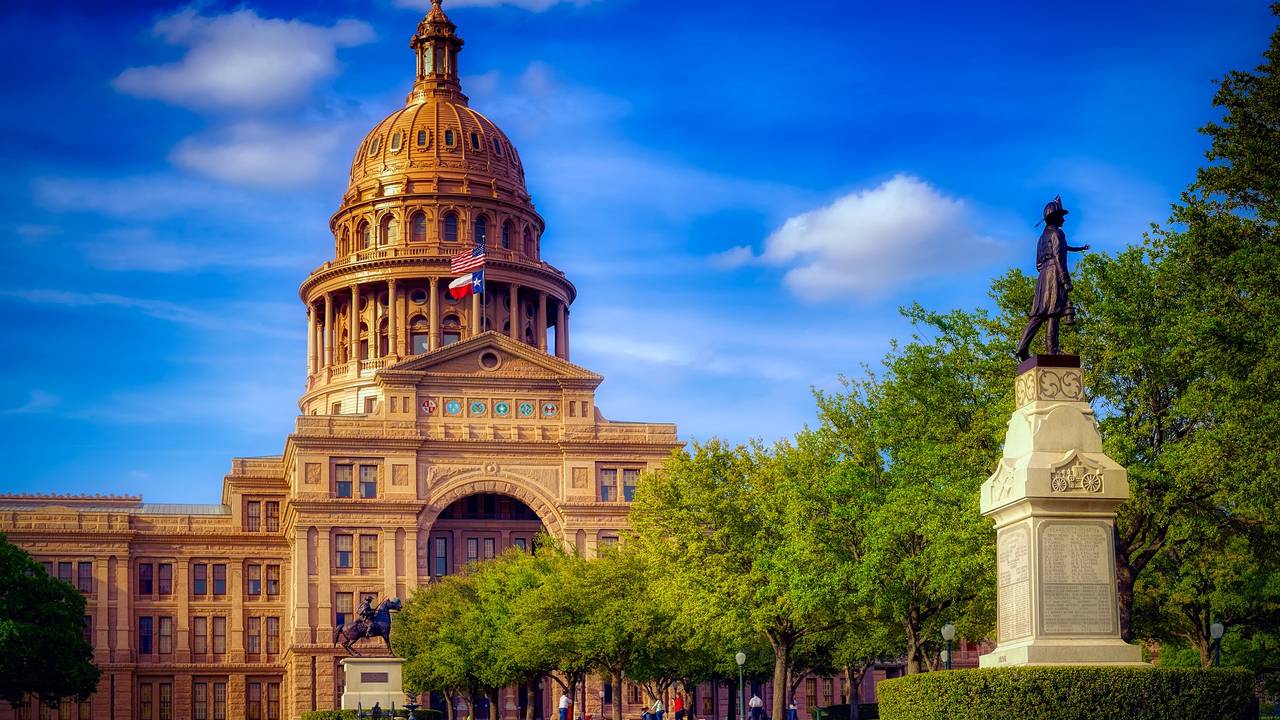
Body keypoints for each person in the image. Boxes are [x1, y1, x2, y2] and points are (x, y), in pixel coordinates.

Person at [1015, 196, 1090, 360]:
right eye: (1061, 215)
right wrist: (1065, 280)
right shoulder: (1058, 233)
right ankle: (1053, 350)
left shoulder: (1042, 237)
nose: (1064, 219)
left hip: (1043, 276)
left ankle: (1022, 347)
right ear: (1055, 217)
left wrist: (1046, 273)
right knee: (1054, 313)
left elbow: (1038, 264)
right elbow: (1058, 257)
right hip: (1054, 274)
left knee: (1039, 314)